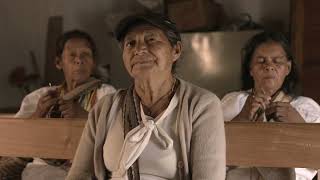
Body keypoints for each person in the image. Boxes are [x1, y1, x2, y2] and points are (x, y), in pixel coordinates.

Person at [66, 13, 226, 180]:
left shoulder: (201, 105)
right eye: (131, 43)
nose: (139, 49)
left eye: (151, 40)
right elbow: (79, 174)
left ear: (176, 50)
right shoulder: (105, 108)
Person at [0, 30, 116, 180]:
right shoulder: (38, 97)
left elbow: (115, 136)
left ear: (93, 62)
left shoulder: (106, 94)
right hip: (41, 171)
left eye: (85, 54)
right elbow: (14, 142)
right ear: (58, 63)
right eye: (72, 55)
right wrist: (38, 114)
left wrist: (81, 115)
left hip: (88, 171)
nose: (79, 60)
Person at [222, 31, 320, 180]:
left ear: (287, 68)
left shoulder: (306, 108)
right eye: (261, 61)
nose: (269, 67)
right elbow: (210, 150)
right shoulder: (232, 101)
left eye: (277, 61)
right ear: (250, 69)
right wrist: (242, 118)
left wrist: (299, 125)